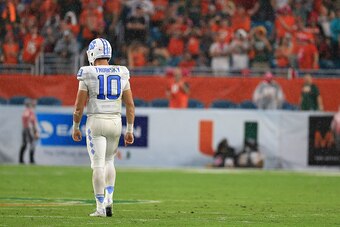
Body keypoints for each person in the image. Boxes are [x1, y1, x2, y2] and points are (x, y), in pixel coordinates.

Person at [71, 38, 135, 217]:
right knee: (109, 162)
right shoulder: (121, 72)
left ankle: (100, 207)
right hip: (115, 122)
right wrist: (129, 129)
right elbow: (130, 105)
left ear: (92, 53)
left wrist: (75, 125)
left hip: (96, 121)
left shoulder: (87, 72)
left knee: (98, 165)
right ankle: (110, 197)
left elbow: (78, 106)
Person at [19, 99, 39, 164]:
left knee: (25, 144)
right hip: (28, 129)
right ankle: (31, 160)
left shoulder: (28, 111)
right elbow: (30, 121)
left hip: (26, 129)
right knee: (32, 143)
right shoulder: (29, 111)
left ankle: (22, 160)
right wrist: (35, 131)